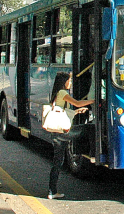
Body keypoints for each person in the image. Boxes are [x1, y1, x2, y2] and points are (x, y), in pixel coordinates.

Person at [47, 71, 94, 200]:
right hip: (62, 134)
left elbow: (64, 112)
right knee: (89, 128)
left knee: (58, 162)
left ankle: (52, 191)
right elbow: (77, 103)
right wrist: (94, 100)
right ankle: (93, 154)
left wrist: (77, 112)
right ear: (64, 82)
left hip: (56, 134)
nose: (71, 83)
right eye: (70, 80)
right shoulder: (63, 93)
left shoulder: (57, 93)